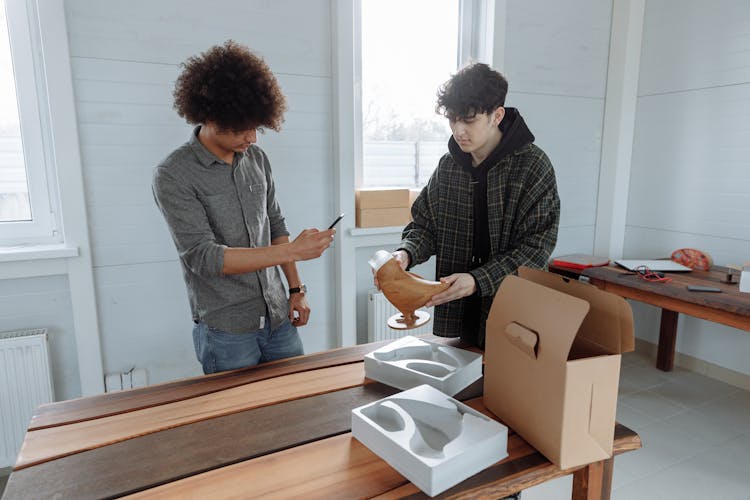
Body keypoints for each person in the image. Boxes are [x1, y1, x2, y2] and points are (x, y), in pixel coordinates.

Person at [152, 40, 335, 374]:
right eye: (240, 127)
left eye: (256, 125)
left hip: (280, 318)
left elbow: (276, 225)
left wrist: (296, 290)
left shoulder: (257, 159)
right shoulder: (173, 175)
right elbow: (205, 257)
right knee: (241, 425)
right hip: (227, 330)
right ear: (209, 114)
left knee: (295, 410)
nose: (252, 137)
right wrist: (293, 252)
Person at [391, 62, 560, 349]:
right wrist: (405, 253)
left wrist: (477, 280)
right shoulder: (449, 166)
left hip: (512, 310)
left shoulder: (532, 166)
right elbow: (425, 226)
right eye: (453, 119)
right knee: (462, 389)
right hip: (459, 313)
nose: (458, 130)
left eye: (468, 120)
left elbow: (536, 249)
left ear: (497, 115)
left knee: (505, 388)